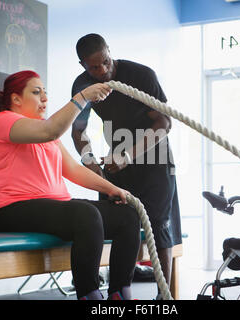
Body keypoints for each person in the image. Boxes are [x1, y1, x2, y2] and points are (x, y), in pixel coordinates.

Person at [0, 70, 141, 300]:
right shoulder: (2, 121)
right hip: (13, 208)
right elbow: (51, 130)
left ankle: (120, 295)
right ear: (16, 99)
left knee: (127, 215)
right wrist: (83, 97)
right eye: (36, 92)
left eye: (45, 93)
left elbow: (73, 169)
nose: (44, 99)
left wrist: (111, 189)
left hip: (54, 208)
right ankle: (90, 296)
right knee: (85, 214)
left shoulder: (42, 129)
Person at [71, 34, 182, 299]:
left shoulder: (142, 76)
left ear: (110, 51)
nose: (103, 71)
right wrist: (89, 161)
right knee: (113, 220)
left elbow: (164, 124)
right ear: (83, 65)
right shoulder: (83, 85)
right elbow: (78, 130)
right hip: (116, 159)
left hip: (154, 157)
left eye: (106, 62)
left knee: (158, 224)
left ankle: (162, 294)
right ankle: (117, 290)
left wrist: (129, 155)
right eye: (94, 67)